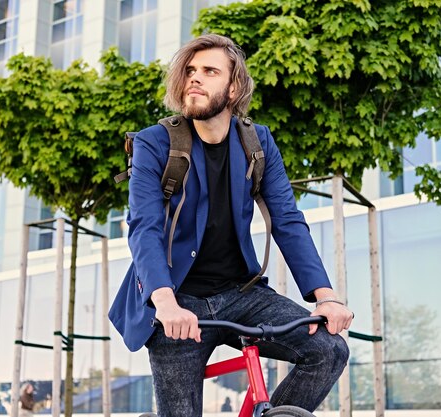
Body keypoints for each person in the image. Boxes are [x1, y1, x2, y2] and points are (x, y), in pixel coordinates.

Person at [109, 33, 353, 416]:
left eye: (209, 71)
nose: (195, 78)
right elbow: (144, 227)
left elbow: (287, 220)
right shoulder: (154, 143)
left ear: (234, 86)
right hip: (178, 302)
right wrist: (166, 302)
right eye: (190, 70)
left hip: (242, 294)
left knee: (329, 349)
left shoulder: (258, 143)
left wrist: (326, 296)